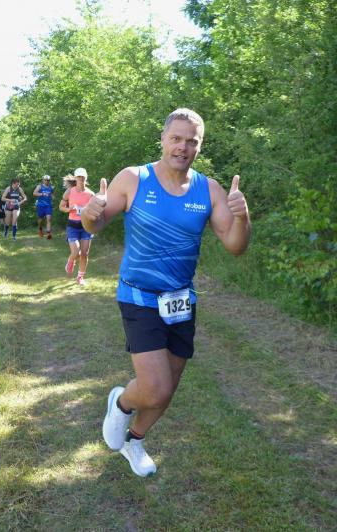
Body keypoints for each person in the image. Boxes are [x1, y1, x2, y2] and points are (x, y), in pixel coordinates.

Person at [81, 108, 250, 477]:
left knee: (168, 389)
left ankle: (135, 441)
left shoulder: (210, 190)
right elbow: (95, 224)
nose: (182, 147)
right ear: (162, 139)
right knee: (154, 388)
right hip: (139, 295)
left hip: (180, 301)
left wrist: (242, 216)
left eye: (191, 141)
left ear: (199, 146)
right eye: (176, 138)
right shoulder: (134, 178)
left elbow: (236, 246)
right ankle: (121, 402)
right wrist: (90, 213)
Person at [59, 168, 95, 285]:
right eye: (79, 177)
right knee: (76, 252)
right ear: (75, 178)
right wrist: (69, 209)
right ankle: (71, 260)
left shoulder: (91, 194)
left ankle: (80, 277)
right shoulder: (70, 191)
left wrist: (90, 213)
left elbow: (95, 211)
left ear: (86, 178)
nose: (81, 179)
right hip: (73, 225)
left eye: (83, 177)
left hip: (86, 226)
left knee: (85, 253)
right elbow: (61, 207)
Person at [33, 174, 55, 239]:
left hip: (48, 206)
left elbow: (52, 195)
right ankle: (40, 229)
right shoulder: (39, 186)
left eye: (48, 180)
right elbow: (34, 193)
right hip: (40, 205)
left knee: (49, 219)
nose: (47, 181)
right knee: (40, 220)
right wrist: (42, 194)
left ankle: (48, 234)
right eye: (46, 180)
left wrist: (53, 197)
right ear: (43, 180)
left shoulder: (51, 187)